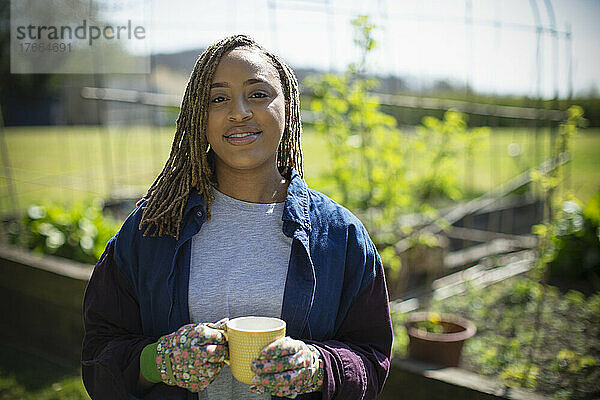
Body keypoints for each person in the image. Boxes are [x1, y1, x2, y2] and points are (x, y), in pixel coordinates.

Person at [81, 34, 393, 400]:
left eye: (258, 94)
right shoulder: (151, 230)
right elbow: (99, 354)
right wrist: (158, 362)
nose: (239, 111)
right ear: (200, 118)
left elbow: (372, 358)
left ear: (289, 106)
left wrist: (319, 368)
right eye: (218, 98)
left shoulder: (341, 237)